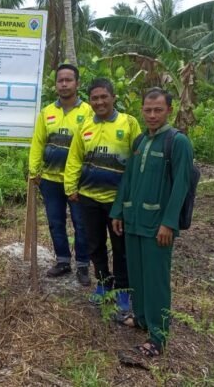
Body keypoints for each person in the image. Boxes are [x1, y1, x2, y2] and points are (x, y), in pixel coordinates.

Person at [110, 88, 194, 357]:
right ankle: (142, 318)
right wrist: (117, 212)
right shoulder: (139, 142)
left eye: (158, 110)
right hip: (134, 220)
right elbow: (128, 179)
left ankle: (158, 335)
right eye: (148, 110)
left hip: (158, 225)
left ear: (169, 109)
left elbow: (181, 185)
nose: (152, 115)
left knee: (156, 279)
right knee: (137, 274)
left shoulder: (177, 142)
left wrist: (169, 223)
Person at [64, 78, 140, 310]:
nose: (99, 102)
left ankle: (123, 290)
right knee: (94, 245)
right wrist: (71, 187)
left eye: (104, 97)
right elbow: (74, 158)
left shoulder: (129, 123)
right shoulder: (85, 127)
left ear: (113, 97)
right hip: (88, 198)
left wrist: (132, 196)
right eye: (95, 98)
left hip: (118, 202)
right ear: (90, 101)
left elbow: (137, 162)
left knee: (121, 248)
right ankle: (104, 283)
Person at [28, 64, 92, 285]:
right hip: (50, 180)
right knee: (55, 222)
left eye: (68, 80)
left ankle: (83, 265)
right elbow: (38, 143)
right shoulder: (47, 113)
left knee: (81, 223)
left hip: (78, 181)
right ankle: (63, 261)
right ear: (56, 84)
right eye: (60, 80)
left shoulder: (88, 112)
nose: (64, 84)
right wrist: (34, 171)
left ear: (77, 84)